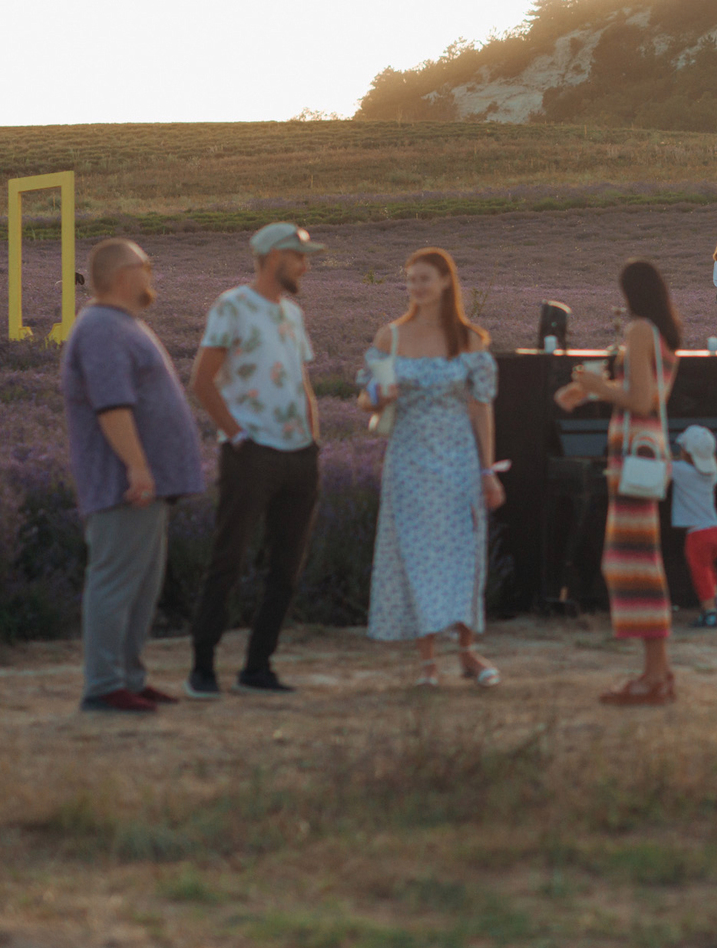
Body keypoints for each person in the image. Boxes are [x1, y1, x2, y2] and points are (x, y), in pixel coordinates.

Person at [60, 240, 205, 713]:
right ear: (124, 274)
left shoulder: (121, 325)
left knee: (140, 590)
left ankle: (129, 678)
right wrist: (137, 467)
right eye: (146, 266)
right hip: (123, 484)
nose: (151, 274)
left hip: (146, 484)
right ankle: (104, 686)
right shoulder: (102, 328)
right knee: (115, 585)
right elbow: (111, 405)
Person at [188, 222, 326, 699]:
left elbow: (301, 382)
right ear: (274, 258)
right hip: (252, 454)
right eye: (299, 257)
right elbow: (202, 380)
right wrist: (238, 436)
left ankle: (257, 668)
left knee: (286, 569)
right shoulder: (232, 306)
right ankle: (202, 668)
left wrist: (313, 440)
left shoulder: (293, 313)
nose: (305, 266)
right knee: (228, 559)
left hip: (299, 455)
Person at [357, 248, 503, 688]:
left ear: (444, 282)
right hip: (409, 460)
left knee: (463, 553)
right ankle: (427, 662)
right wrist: (379, 395)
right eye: (411, 279)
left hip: (457, 459)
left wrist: (487, 471)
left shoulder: (469, 339)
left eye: (424, 278)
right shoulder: (391, 336)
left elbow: (481, 408)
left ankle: (467, 651)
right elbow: (364, 396)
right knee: (416, 554)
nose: (416, 286)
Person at [554, 259, 682, 704]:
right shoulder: (662, 334)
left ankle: (653, 676)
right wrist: (590, 389)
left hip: (634, 455)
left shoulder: (640, 330)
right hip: (645, 451)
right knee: (636, 558)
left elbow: (640, 401)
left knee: (632, 562)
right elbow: (646, 393)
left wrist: (596, 384)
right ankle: (657, 672)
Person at [673, 424, 717, 628]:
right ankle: (715, 598)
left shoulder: (681, 470)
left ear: (686, 452)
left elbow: (661, 466)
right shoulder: (713, 471)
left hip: (698, 534)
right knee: (709, 567)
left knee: (700, 571)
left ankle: (709, 612)